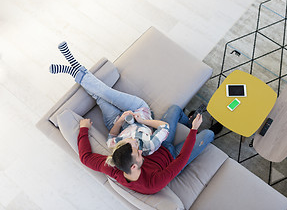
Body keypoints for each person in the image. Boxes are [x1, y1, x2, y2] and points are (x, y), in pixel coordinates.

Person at [50, 42, 215, 194]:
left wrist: (84, 129)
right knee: (207, 134)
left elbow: (85, 158)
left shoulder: (115, 165)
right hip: (172, 156)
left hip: (159, 141)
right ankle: (193, 124)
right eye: (138, 152)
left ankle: (188, 119)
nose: (140, 151)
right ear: (135, 165)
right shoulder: (153, 183)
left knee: (174, 109)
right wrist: (193, 130)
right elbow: (182, 158)